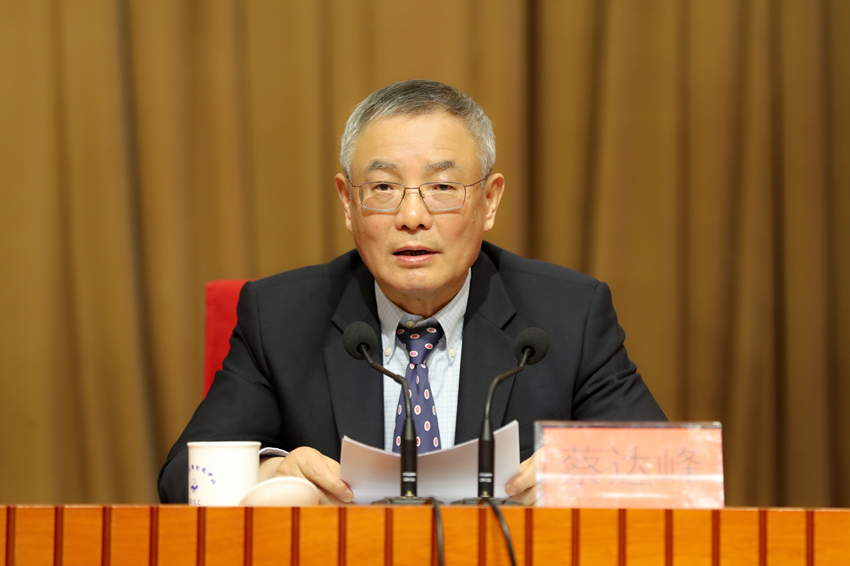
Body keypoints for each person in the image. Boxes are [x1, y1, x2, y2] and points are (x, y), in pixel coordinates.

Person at [158, 80, 665, 505]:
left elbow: (666, 473)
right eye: (383, 188)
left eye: (442, 188)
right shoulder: (281, 316)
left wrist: (579, 477)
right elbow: (183, 476)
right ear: (348, 202)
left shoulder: (567, 315)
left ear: (489, 202)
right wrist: (272, 475)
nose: (412, 216)